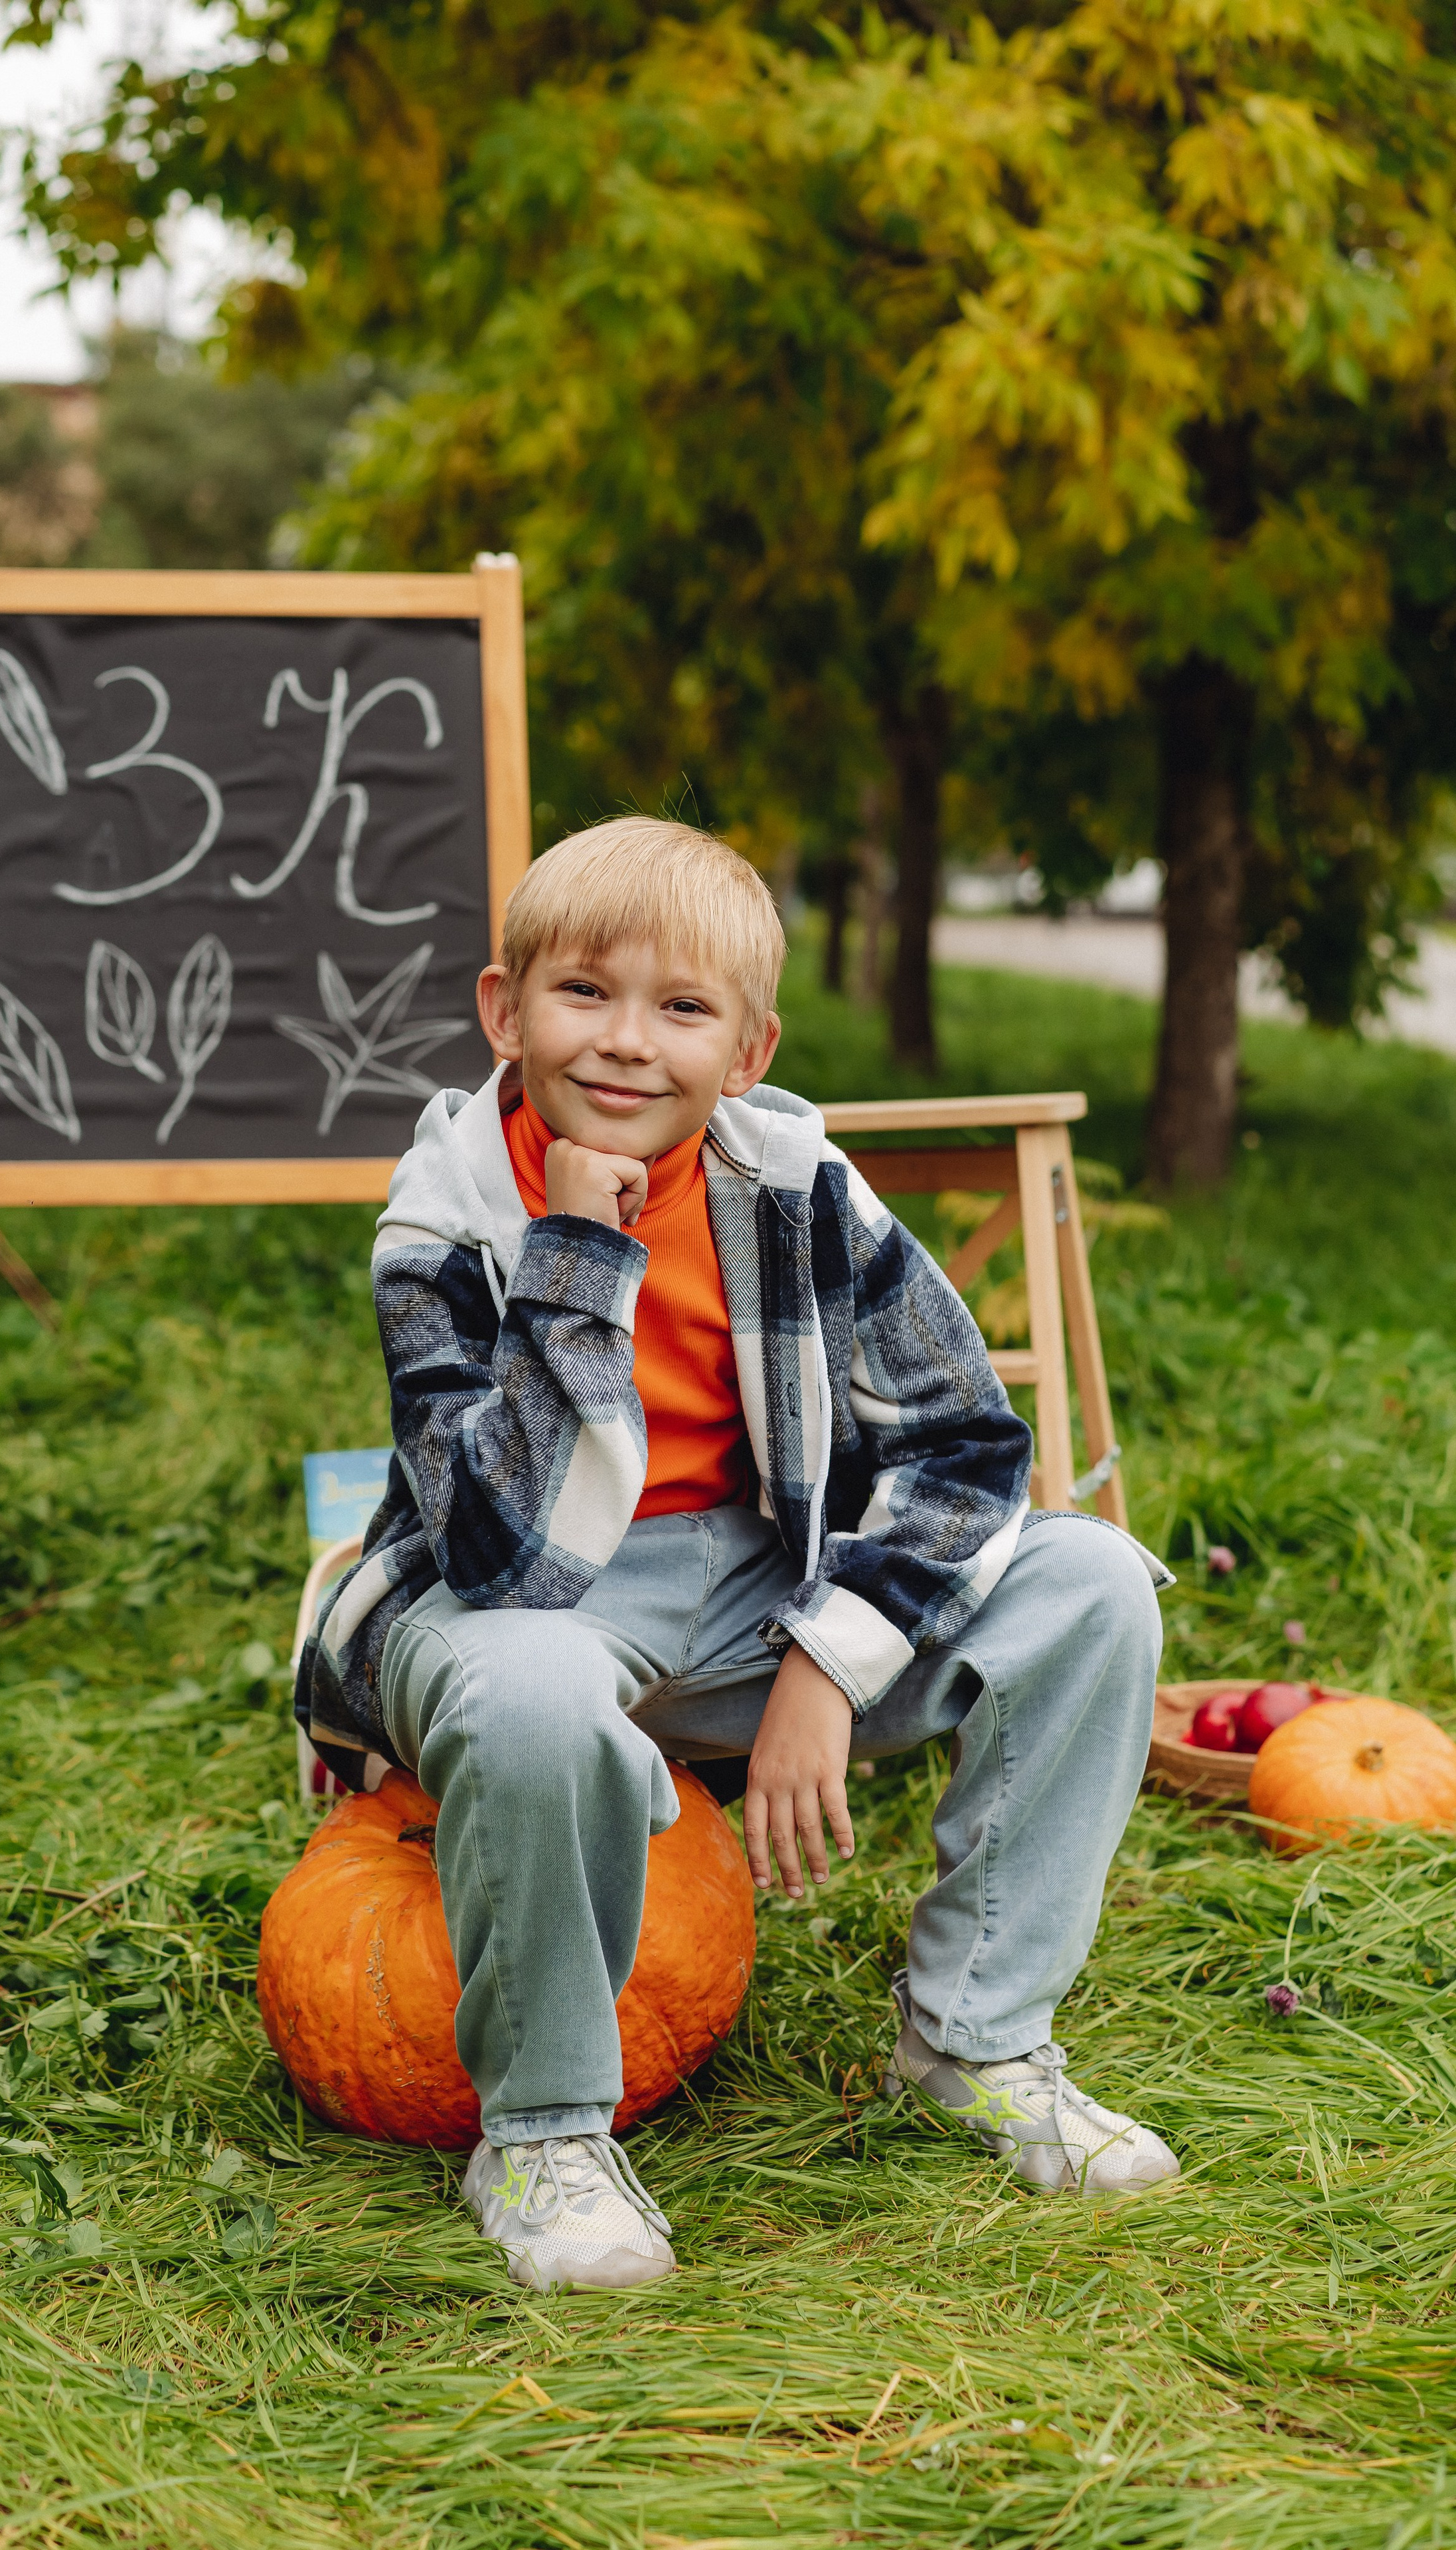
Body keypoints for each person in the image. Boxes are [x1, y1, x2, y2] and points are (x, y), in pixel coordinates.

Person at [296, 815, 1178, 2293]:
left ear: (749, 1050)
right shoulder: (446, 1220)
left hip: (761, 1579)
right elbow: (498, 1555)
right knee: (522, 1692)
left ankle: (973, 2042)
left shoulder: (796, 1188)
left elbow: (964, 1446)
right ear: (503, 1012)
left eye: (681, 1009)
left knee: (1085, 1584)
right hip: (517, 1605)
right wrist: (575, 1261)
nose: (628, 1044)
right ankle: (543, 2132)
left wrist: (829, 1663)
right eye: (584, 994)